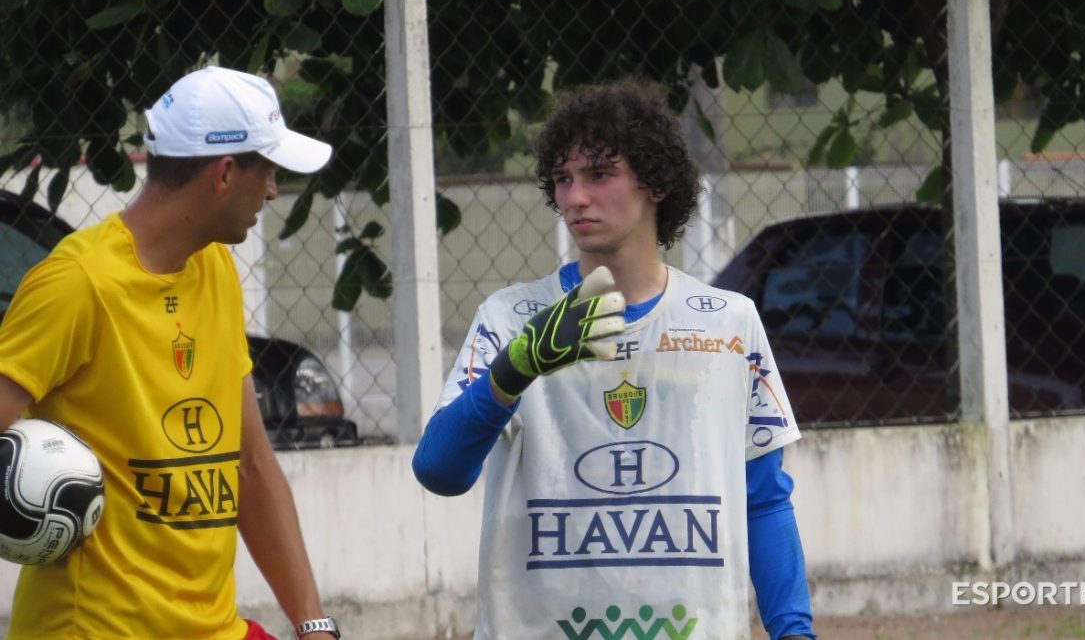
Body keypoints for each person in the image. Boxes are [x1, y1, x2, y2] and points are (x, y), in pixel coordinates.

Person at [412, 80, 817, 640]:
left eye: (599, 175)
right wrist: (514, 368)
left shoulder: (728, 323)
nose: (575, 198)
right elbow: (438, 471)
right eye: (562, 179)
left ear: (658, 182)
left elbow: (765, 501)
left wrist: (795, 632)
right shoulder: (511, 319)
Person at [0, 66, 342, 640]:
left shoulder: (215, 268)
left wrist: (314, 624)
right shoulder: (76, 283)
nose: (275, 189)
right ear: (226, 172)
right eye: (270, 170)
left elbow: (252, 467)